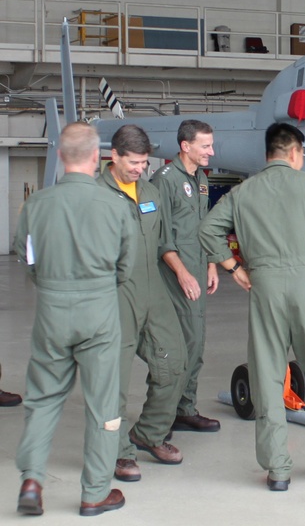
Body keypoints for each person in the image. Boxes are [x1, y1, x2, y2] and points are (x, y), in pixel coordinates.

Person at [198, 123, 305, 491]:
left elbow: (208, 229)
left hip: (264, 287)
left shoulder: (243, 193)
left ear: (268, 153)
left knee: (267, 375)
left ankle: (277, 468)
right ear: (294, 153)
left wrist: (233, 267)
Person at [13, 122, 133, 517]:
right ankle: (95, 492)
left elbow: (27, 260)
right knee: (102, 405)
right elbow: (125, 266)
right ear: (97, 156)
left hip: (51, 310)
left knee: (43, 397)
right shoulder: (115, 205)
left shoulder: (35, 206)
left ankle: (32, 479)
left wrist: (50, 284)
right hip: (99, 310)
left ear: (60, 156)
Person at [98, 124, 186, 482]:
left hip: (153, 289)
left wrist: (182, 271)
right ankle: (118, 452)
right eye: (132, 162)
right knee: (113, 380)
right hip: (114, 295)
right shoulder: (95, 194)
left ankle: (148, 433)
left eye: (144, 162)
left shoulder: (150, 190)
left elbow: (164, 241)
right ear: (113, 156)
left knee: (176, 361)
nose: (138, 168)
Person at [150, 120, 221, 433]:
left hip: (197, 269)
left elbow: (203, 226)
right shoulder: (164, 180)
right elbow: (161, 236)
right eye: (205, 146)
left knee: (197, 341)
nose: (211, 151)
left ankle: (184, 409)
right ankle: (162, 418)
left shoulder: (201, 178)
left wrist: (211, 265)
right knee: (180, 345)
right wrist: (182, 273)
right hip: (175, 275)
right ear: (185, 146)